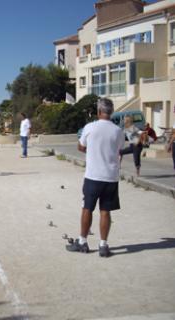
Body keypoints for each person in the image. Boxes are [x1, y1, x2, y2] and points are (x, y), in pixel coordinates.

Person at [66, 98, 124, 258]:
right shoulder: (118, 131)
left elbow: (80, 146)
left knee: (87, 208)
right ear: (111, 112)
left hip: (93, 176)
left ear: (99, 112)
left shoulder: (90, 127)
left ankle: (83, 242)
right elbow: (119, 149)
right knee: (105, 211)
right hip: (111, 177)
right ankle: (103, 245)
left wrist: (92, 151)